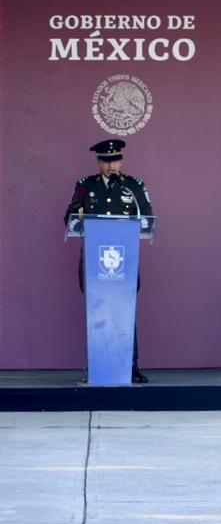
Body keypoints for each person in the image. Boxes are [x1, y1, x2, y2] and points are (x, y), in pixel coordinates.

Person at [65, 138, 154, 383]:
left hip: (125, 261)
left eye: (115, 160)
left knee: (126, 311)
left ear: (121, 161)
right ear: (98, 162)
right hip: (96, 263)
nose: (111, 165)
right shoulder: (85, 186)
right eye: (105, 160)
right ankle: (95, 368)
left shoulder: (134, 186)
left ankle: (131, 368)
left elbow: (147, 219)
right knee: (97, 312)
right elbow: (69, 218)